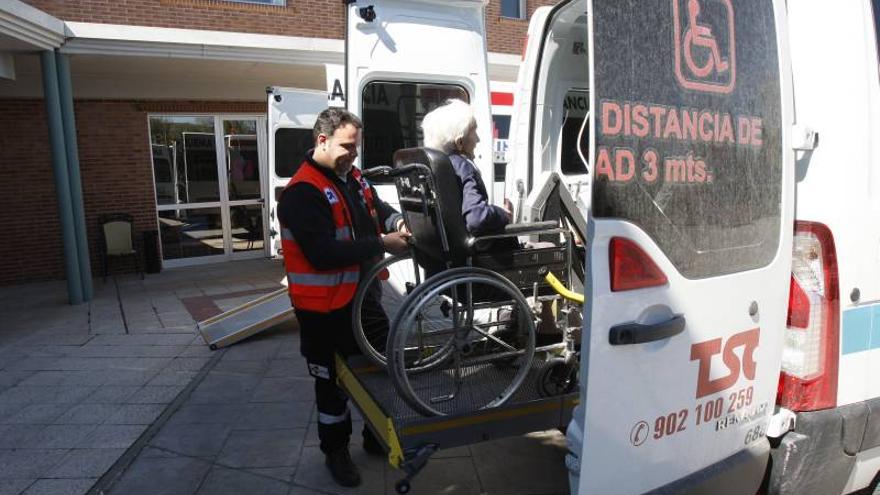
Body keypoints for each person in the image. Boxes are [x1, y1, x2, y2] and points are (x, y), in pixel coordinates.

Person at [278, 108, 410, 488]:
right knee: (332, 385)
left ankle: (375, 437)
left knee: (379, 368)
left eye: (356, 147)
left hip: (361, 300)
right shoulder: (302, 193)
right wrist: (382, 243)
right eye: (347, 147)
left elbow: (375, 209)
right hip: (323, 313)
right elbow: (321, 254)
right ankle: (336, 451)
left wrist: (396, 222)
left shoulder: (350, 177)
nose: (354, 155)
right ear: (322, 140)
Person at [420, 98, 514, 245]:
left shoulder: (436, 167)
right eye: (474, 131)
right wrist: (502, 214)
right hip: (488, 255)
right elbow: (476, 217)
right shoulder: (463, 167)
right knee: (550, 250)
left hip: (447, 254)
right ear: (460, 143)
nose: (478, 139)